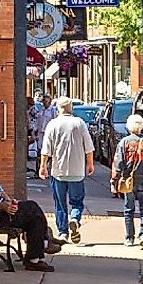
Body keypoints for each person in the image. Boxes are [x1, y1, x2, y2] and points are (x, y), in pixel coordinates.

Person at [39, 96, 94, 242]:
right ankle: (75, 218)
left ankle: (63, 232)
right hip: (77, 171)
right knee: (77, 202)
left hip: (58, 171)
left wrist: (43, 165)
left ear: (58, 109)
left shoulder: (53, 124)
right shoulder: (80, 123)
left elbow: (46, 149)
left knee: (60, 203)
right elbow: (88, 147)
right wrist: (90, 164)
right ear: (71, 108)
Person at [113, 113, 143, 244]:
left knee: (128, 209)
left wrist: (116, 178)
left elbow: (118, 163)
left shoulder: (124, 143)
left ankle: (129, 238)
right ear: (142, 127)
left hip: (128, 179)